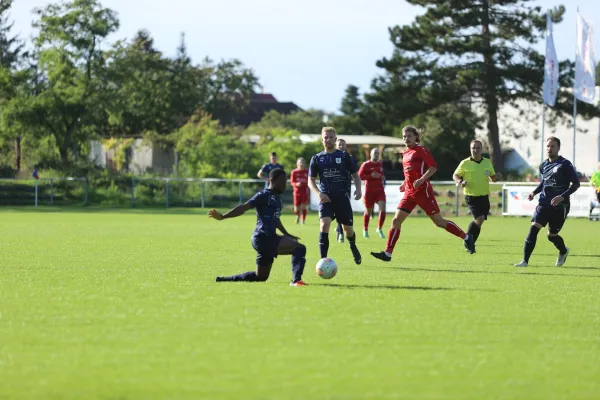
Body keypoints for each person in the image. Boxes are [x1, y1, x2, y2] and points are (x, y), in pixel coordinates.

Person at [370, 126, 475, 262]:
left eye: (409, 136)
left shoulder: (421, 150)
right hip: (409, 192)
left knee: (439, 222)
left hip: (422, 192)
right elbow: (409, 172)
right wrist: (404, 182)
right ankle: (388, 253)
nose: (406, 138)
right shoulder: (405, 153)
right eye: (404, 136)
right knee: (396, 221)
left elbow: (433, 167)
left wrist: (421, 179)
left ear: (415, 136)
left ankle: (466, 237)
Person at [208, 168, 307, 286]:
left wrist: (286, 234)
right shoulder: (263, 195)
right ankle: (296, 281)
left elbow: (276, 220)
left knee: (260, 277)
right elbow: (244, 207)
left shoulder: (278, 198)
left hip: (268, 237)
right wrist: (223, 216)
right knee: (300, 248)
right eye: (283, 181)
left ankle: (223, 279)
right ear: (272, 180)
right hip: (263, 237)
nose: (285, 184)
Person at [514, 137, 580, 267]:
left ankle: (563, 251)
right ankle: (525, 261)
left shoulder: (565, 164)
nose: (550, 149)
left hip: (560, 206)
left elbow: (576, 184)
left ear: (558, 148)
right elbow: (544, 182)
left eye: (553, 146)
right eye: (548, 146)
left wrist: (562, 196)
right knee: (534, 228)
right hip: (544, 203)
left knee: (551, 235)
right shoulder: (543, 165)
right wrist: (534, 192)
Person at [308, 127, 362, 264]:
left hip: (342, 199)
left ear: (335, 139)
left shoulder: (344, 156)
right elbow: (310, 181)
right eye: (326, 137)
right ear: (322, 140)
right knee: (324, 224)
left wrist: (358, 189)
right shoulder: (317, 158)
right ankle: (323, 261)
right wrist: (319, 194)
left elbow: (355, 175)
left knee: (348, 230)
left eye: (331, 137)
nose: (328, 140)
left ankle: (353, 245)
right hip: (326, 198)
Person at [452, 140, 498, 251]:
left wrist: (497, 177)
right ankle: (468, 240)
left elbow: (493, 177)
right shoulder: (465, 163)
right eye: (473, 148)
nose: (475, 150)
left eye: (478, 148)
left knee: (480, 222)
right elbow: (455, 175)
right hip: (471, 196)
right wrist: (460, 182)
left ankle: (470, 242)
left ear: (481, 149)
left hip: (484, 196)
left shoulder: (487, 162)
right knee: (479, 218)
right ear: (470, 149)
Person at [358, 148, 387, 239]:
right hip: (369, 191)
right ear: (371, 154)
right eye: (375, 153)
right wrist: (370, 176)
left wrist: (382, 177)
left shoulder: (380, 164)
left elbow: (382, 175)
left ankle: (379, 228)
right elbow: (360, 176)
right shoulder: (366, 165)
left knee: (383, 210)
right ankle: (365, 229)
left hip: (379, 190)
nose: (376, 155)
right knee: (368, 212)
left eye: (378, 153)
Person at [334, 138, 358, 243]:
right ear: (336, 146)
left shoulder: (350, 158)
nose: (341, 147)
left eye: (343, 145)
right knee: (337, 210)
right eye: (339, 145)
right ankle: (340, 231)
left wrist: (358, 188)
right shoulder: (332, 157)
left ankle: (340, 231)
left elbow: (355, 173)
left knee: (344, 209)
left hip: (346, 187)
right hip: (334, 187)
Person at [290, 157, 309, 224]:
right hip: (296, 191)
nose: (301, 164)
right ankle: (297, 216)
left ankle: (303, 220)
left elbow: (310, 181)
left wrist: (305, 184)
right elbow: (292, 182)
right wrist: (296, 184)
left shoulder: (307, 171)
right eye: (300, 163)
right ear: (297, 164)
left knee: (303, 206)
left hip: (304, 191)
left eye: (302, 162)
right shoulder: (294, 172)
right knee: (296, 207)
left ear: (304, 164)